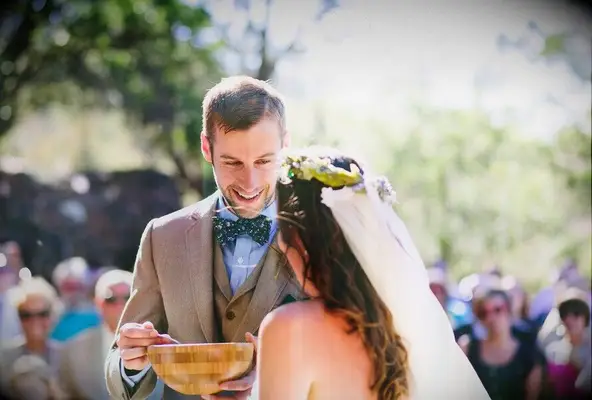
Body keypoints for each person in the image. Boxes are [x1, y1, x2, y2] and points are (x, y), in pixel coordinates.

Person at [104, 76, 306, 400]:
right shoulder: (162, 237)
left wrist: (273, 374)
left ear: (285, 146)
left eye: (264, 161)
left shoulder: (321, 237)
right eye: (232, 162)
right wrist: (131, 362)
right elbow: (119, 372)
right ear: (206, 147)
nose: (249, 182)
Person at [254, 147, 490, 399]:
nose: (279, 241)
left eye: (281, 227)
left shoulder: (291, 329)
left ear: (301, 237)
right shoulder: (401, 325)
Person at [59, 269, 164, 399]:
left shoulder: (160, 343)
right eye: (111, 299)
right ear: (97, 303)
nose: (120, 305)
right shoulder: (74, 349)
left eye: (127, 298)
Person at [461, 289, 543, 400]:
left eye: (498, 310)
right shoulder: (468, 348)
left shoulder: (529, 354)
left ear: (509, 310)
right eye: (484, 313)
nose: (491, 318)